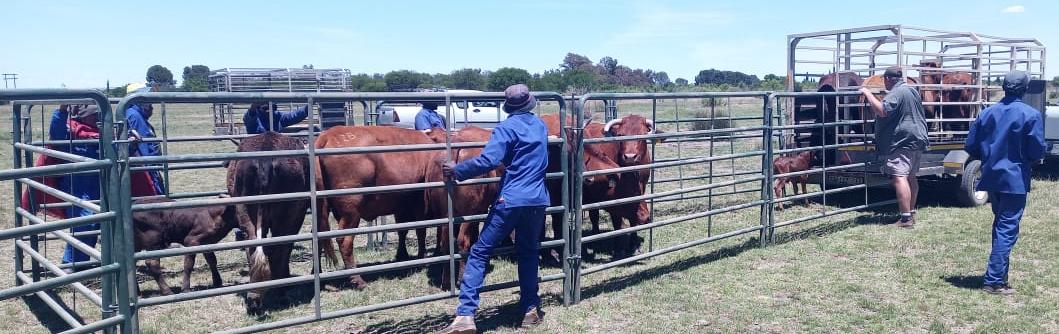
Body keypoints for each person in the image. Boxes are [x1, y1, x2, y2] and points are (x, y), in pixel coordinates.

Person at [436, 84, 549, 334]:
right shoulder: (540, 125)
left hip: (511, 200)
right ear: (529, 103)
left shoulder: (505, 128)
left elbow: (489, 160)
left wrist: (457, 171)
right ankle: (531, 309)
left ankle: (465, 315)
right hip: (538, 200)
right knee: (529, 252)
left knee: (479, 253)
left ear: (509, 107)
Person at [964, 71, 1046, 295]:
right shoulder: (1030, 114)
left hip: (991, 177)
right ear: (1025, 89)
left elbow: (970, 145)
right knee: (1007, 227)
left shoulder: (987, 112)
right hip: (1015, 179)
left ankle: (1000, 274)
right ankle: (994, 281)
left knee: (1000, 224)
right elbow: (1037, 150)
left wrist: (989, 153)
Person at [859, 66, 929, 228]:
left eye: (884, 80)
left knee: (899, 176)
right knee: (910, 176)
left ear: (889, 79)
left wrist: (868, 94)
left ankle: (905, 219)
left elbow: (883, 110)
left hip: (902, 140)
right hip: (917, 138)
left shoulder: (897, 92)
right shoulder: (912, 91)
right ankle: (910, 213)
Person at [125, 83, 166, 194]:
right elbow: (142, 146)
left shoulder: (136, 114)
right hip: (146, 168)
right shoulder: (135, 116)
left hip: (148, 167)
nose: (149, 101)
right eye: (146, 97)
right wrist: (150, 169)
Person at [243, 102, 309, 134]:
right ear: (258, 108)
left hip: (275, 145)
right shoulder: (254, 117)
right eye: (265, 108)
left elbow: (292, 116)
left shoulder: (277, 116)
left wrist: (306, 109)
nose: (269, 110)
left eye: (273, 108)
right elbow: (249, 118)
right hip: (256, 147)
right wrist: (252, 109)